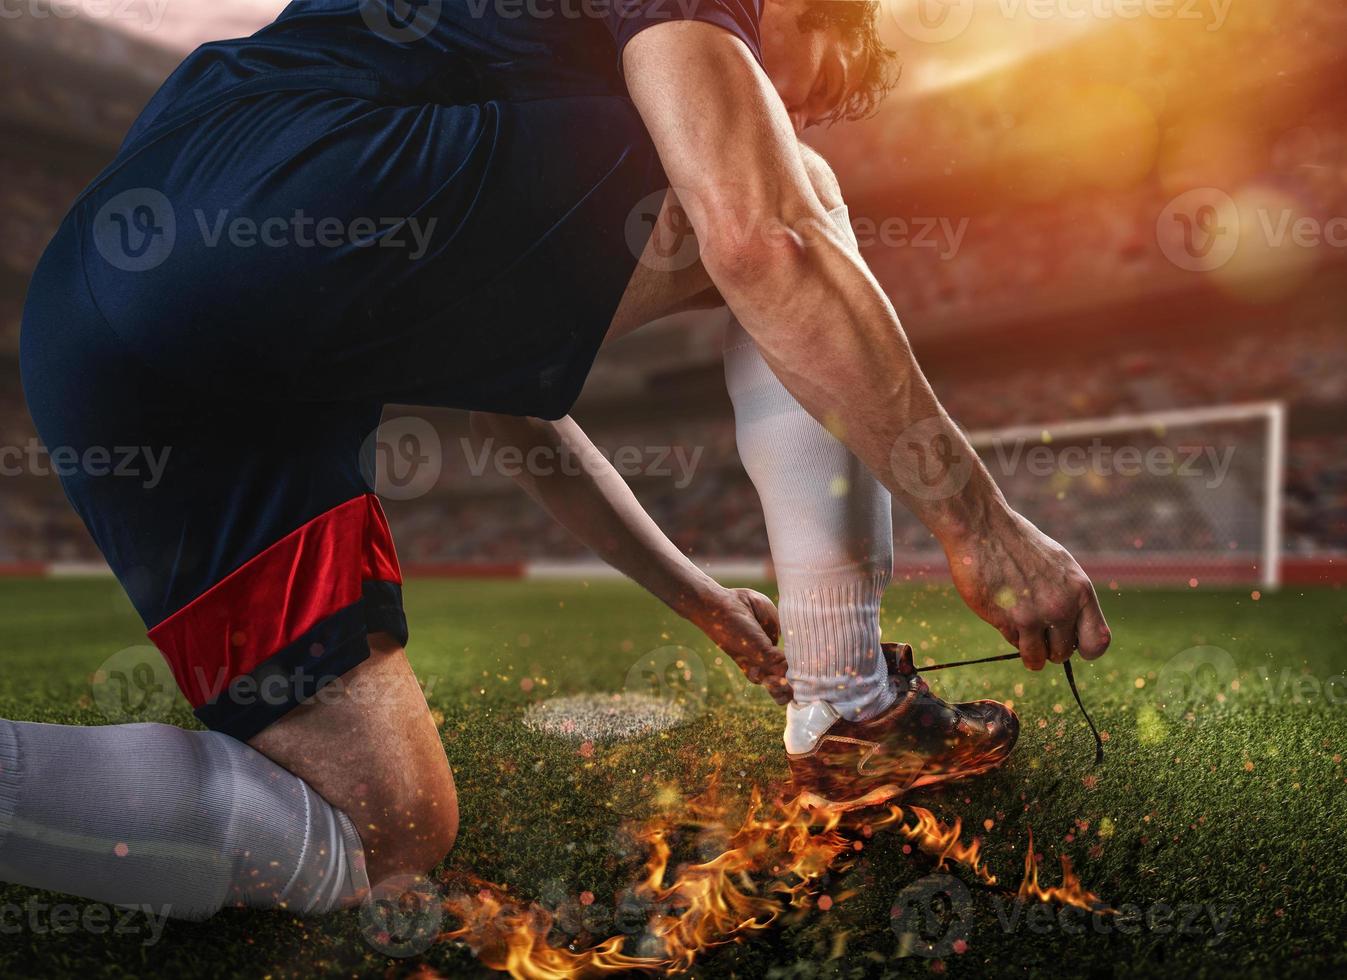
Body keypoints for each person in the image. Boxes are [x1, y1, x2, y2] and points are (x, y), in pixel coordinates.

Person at [7, 0, 1108, 920]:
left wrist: (701, 602)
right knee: (794, 199)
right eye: (779, 80)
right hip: (252, 199)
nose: (759, 106)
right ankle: (851, 702)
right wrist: (984, 525)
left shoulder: (489, 87)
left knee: (386, 829)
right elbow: (766, 243)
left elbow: (505, 407)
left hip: (110, 329)